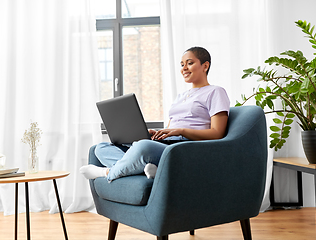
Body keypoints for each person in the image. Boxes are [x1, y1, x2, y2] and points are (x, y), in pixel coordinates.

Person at [80, 46, 230, 182]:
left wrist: (181, 131)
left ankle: (106, 172)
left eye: (189, 63)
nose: (184, 68)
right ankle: (155, 171)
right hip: (168, 143)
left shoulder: (216, 92)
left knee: (142, 146)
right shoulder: (180, 96)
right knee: (101, 148)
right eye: (182, 64)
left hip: (185, 148)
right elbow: (171, 128)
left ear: (205, 66)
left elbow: (217, 133)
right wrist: (156, 134)